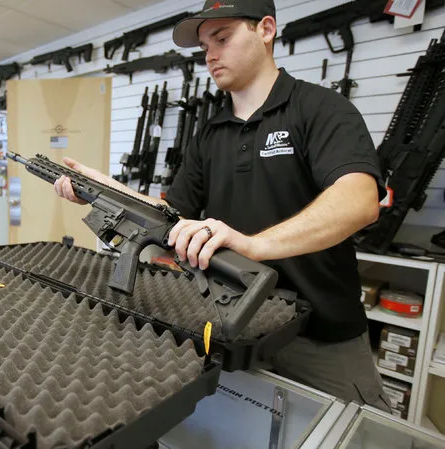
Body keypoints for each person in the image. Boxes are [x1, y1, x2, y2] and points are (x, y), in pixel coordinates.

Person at [53, 0, 391, 411]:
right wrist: (104, 188)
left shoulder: (320, 109)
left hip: (321, 340)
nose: (210, 54)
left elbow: (359, 200)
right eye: (204, 46)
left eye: (223, 38)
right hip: (232, 326)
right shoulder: (209, 135)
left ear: (266, 30)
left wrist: (254, 245)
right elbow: (170, 216)